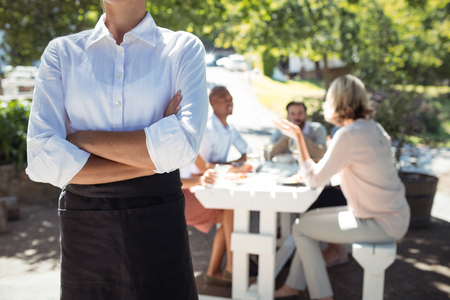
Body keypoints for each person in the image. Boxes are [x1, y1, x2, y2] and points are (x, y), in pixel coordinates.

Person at [25, 1, 208, 299]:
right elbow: (43, 158)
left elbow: (183, 146)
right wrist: (154, 154)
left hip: (157, 218)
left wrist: (82, 138)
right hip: (87, 223)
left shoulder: (183, 48)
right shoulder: (61, 53)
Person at [273, 74, 410, 300]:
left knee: (301, 228)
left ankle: (321, 295)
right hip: (393, 214)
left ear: (335, 101)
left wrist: (297, 137)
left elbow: (313, 180)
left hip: (379, 221)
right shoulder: (374, 128)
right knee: (310, 221)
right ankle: (293, 286)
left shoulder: (348, 134)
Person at [181, 86, 253, 285]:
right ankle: (232, 266)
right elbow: (204, 169)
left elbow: (246, 152)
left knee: (231, 214)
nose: (229, 101)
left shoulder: (228, 128)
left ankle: (218, 270)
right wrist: (235, 168)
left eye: (230, 97)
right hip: (186, 194)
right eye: (223, 98)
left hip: (200, 185)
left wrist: (233, 167)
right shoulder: (199, 133)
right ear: (211, 105)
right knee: (231, 212)